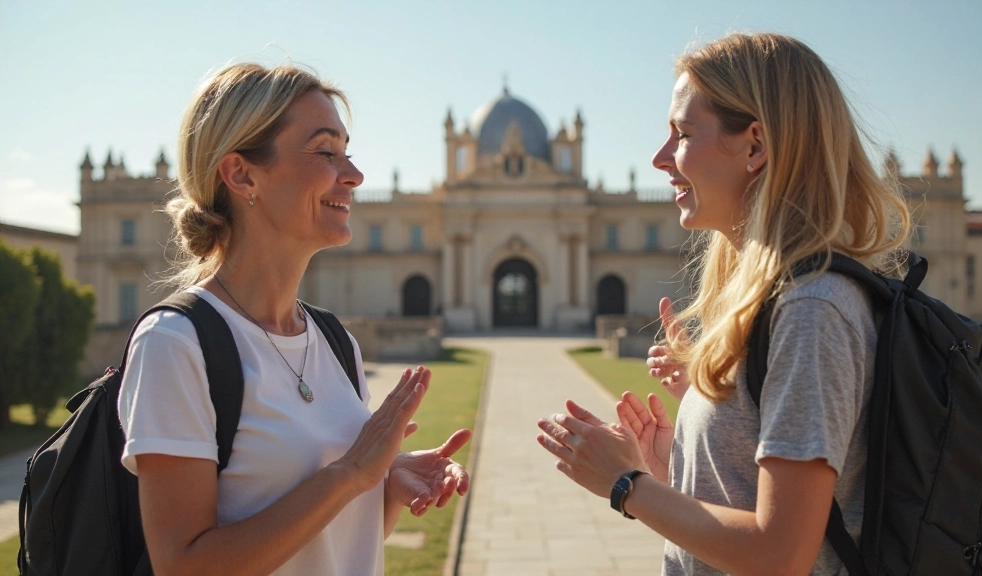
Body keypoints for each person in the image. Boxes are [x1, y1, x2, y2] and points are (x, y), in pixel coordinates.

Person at [536, 32, 910, 575]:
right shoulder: (781, 300)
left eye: (683, 134)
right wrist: (685, 464)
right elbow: (756, 509)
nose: (661, 158)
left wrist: (627, 485)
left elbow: (781, 554)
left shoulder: (812, 309)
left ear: (754, 145)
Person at [117, 62, 471, 576]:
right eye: (326, 151)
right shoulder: (177, 344)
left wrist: (386, 490)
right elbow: (184, 566)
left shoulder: (335, 342)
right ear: (242, 174)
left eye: (347, 151)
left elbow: (332, 546)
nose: (353, 175)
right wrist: (351, 473)